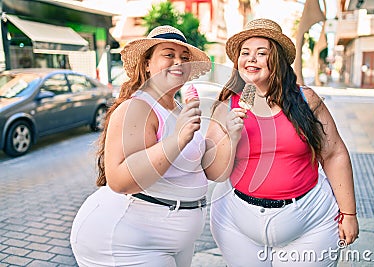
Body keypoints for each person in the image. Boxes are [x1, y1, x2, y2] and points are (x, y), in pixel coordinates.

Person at [202, 18, 359, 266]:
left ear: (276, 60)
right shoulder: (227, 104)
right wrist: (230, 137)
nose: (251, 59)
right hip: (238, 223)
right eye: (245, 53)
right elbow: (213, 171)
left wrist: (349, 213)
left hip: (310, 222)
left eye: (261, 53)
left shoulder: (305, 99)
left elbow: (334, 154)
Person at [70, 25, 211, 266]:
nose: (178, 62)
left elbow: (201, 168)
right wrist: (177, 139)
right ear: (146, 63)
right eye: (169, 54)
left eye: (184, 58)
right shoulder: (136, 108)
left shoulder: (178, 109)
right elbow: (120, 181)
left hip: (174, 240)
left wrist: (225, 132)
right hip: (127, 242)